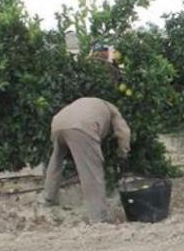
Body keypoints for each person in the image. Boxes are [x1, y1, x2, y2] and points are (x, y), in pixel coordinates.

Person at [43, 45, 131, 222]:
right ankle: (99, 217)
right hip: (82, 128)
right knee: (92, 172)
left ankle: (48, 199)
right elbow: (124, 133)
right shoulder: (111, 108)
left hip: (58, 122)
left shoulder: (89, 102)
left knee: (56, 160)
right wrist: (123, 153)